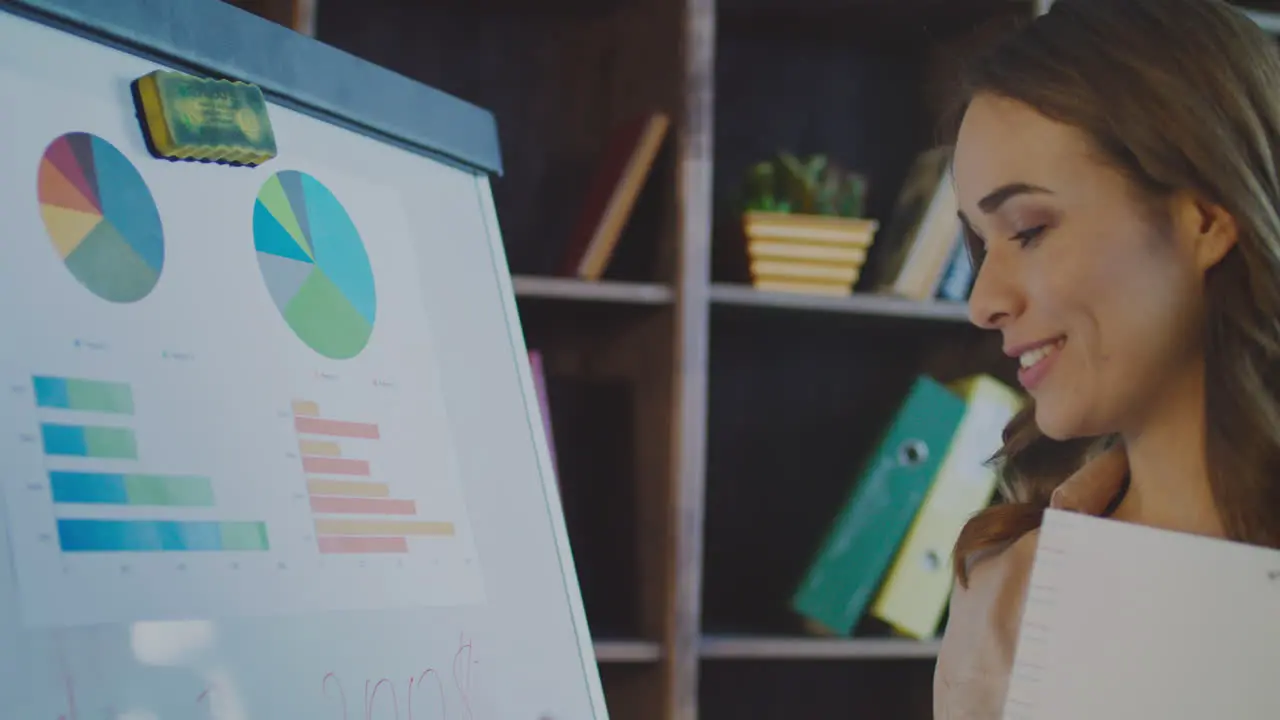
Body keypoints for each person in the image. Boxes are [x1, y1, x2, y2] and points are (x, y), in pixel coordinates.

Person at [932, 0, 1280, 716]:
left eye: (1027, 230)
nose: (983, 300)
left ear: (1208, 218)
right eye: (978, 245)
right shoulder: (1004, 598)